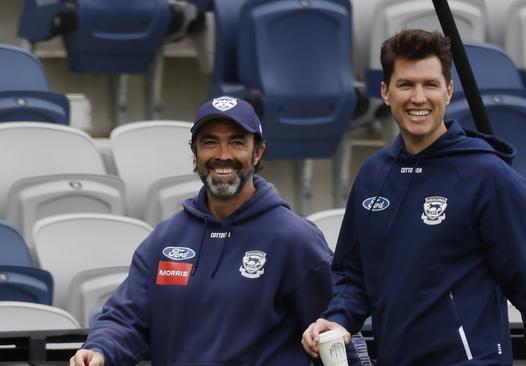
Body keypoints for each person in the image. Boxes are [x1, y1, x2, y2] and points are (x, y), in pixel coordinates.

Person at [302, 29, 526, 365]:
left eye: (430, 84)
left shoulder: (490, 178)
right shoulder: (373, 176)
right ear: (385, 92)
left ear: (448, 91)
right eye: (406, 85)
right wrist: (338, 319)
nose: (418, 97)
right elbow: (353, 277)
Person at [70, 96, 361, 366]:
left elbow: (336, 329)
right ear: (195, 153)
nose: (223, 155)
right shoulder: (165, 239)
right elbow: (126, 318)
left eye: (237, 142)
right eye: (210, 142)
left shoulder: (294, 239)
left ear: (258, 152)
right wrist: (99, 349)